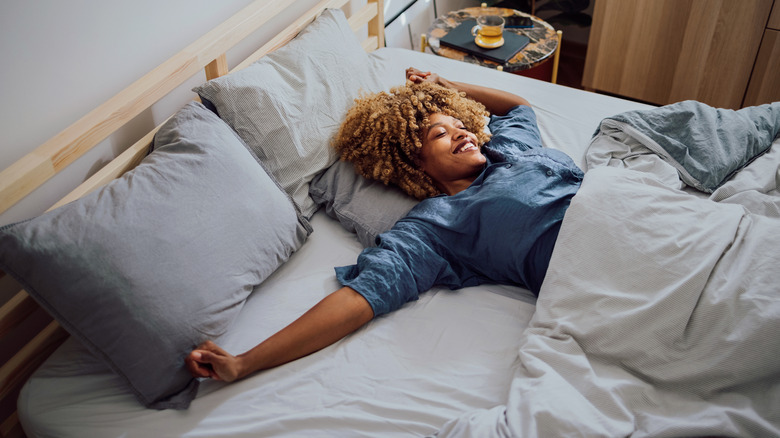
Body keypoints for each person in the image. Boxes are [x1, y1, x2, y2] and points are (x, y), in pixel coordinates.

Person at [185, 67, 583, 382]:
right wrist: (244, 362)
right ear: (416, 165)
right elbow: (360, 298)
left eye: (459, 125)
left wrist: (446, 84)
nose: (461, 131)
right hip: (589, 263)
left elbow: (519, 109)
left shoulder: (507, 147)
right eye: (439, 134)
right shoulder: (438, 227)